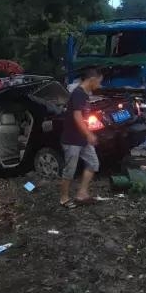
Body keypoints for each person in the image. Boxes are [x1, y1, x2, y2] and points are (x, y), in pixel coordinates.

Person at [59, 68, 103, 209]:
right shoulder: (78, 93)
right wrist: (89, 134)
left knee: (93, 163)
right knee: (70, 170)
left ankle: (82, 193)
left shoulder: (85, 94)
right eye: (99, 82)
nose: (100, 85)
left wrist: (90, 129)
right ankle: (64, 198)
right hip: (72, 139)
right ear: (92, 79)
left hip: (82, 138)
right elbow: (77, 117)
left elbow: (83, 117)